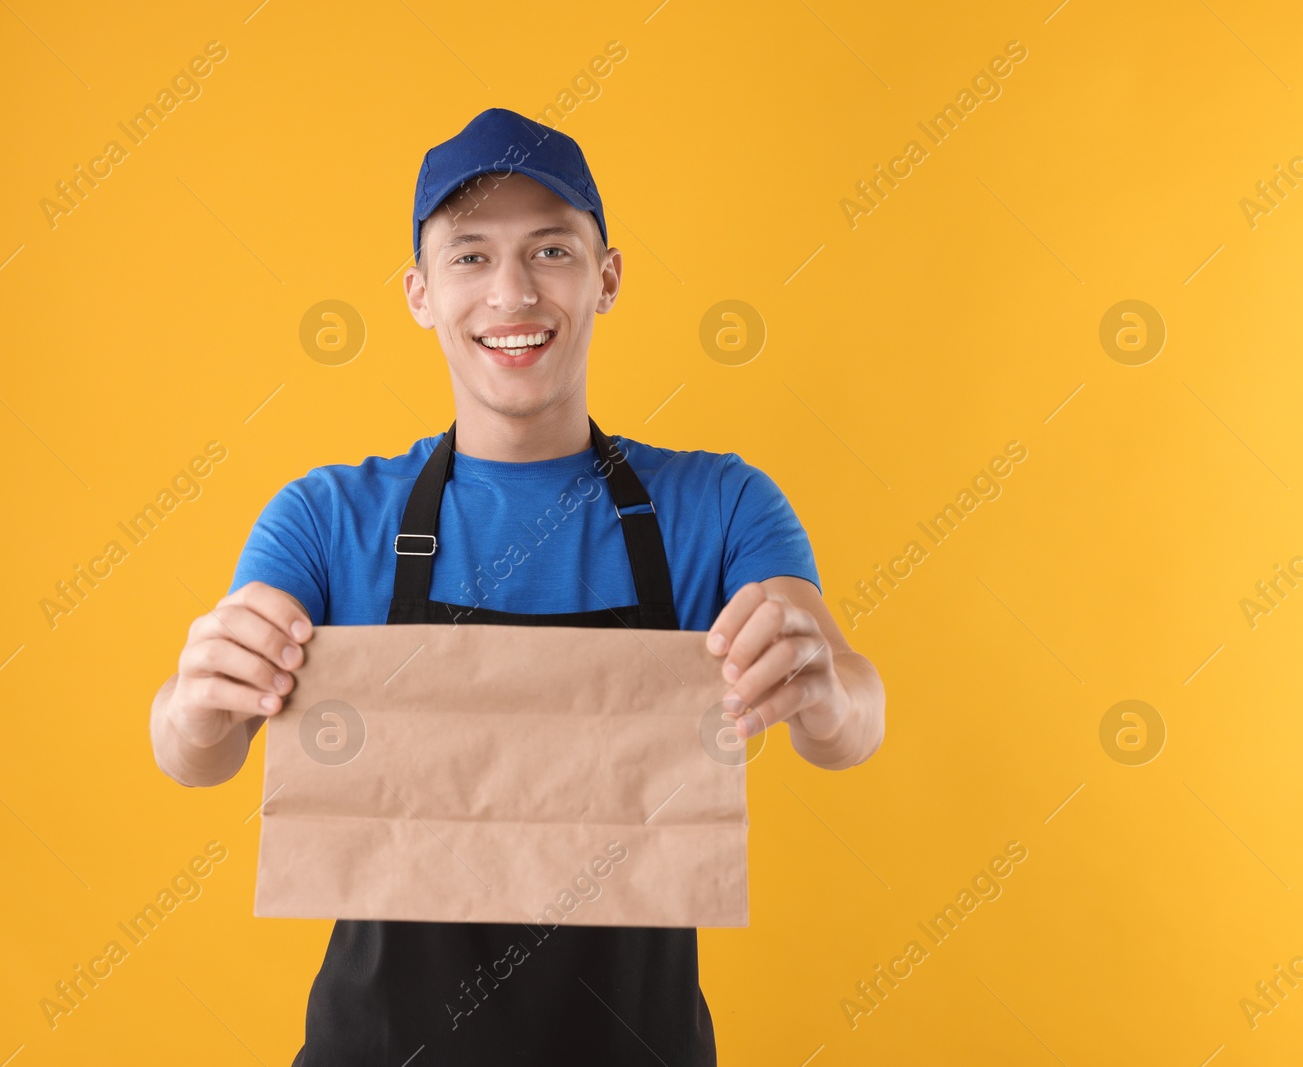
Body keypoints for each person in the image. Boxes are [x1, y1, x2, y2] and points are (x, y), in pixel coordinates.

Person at [149, 106, 886, 1066]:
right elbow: (194, 753)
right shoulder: (328, 516)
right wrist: (199, 703)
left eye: (550, 249)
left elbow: (855, 722)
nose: (511, 292)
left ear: (606, 277)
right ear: (418, 292)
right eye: (469, 256)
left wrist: (823, 688)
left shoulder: (720, 504)